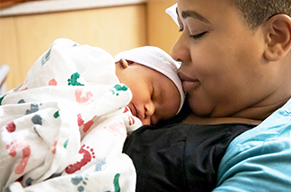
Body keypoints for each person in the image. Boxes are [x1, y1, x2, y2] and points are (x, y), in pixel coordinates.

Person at [123, 0, 291, 191]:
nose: (176, 51)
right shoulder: (194, 86)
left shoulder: (290, 163)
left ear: (275, 38)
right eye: (181, 28)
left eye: (196, 32)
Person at [0, 38, 184, 191]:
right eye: (153, 94)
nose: (149, 111)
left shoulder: (120, 119)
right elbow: (57, 58)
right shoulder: (93, 63)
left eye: (156, 119)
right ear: (128, 63)